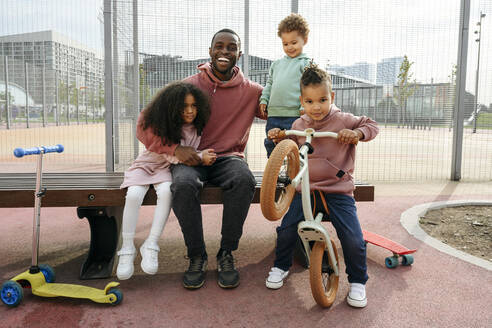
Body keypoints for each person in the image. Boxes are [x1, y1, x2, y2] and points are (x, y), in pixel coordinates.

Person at [139, 29, 265, 289]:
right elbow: (145, 123)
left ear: (239, 55)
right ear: (210, 51)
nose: (224, 51)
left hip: (228, 158)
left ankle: (226, 253)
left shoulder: (252, 91)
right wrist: (174, 149)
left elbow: (284, 108)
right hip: (192, 157)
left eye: (231, 48)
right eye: (219, 46)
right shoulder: (188, 86)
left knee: (243, 179)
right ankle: (196, 255)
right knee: (182, 185)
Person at [266, 63, 379, 308]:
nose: (316, 107)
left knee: (352, 238)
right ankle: (281, 266)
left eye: (322, 100)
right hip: (305, 190)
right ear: (302, 101)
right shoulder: (298, 125)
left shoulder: (344, 120)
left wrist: (357, 134)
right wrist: (279, 136)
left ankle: (358, 282)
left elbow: (372, 125)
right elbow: (290, 151)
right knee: (286, 230)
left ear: (332, 97)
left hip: (337, 191)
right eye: (309, 101)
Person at [116, 82, 216, 280]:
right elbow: (167, 153)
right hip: (146, 166)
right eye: (184, 106)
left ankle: (151, 243)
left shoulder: (195, 128)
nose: (189, 111)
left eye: (193, 106)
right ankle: (127, 248)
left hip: (165, 170)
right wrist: (200, 156)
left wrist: (199, 155)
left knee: (167, 193)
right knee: (134, 195)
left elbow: (176, 159)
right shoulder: (164, 123)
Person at [260, 13, 311, 157]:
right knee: (271, 143)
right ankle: (275, 174)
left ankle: (293, 176)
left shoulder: (306, 63)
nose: (289, 47)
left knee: (294, 147)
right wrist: (264, 99)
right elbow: (270, 83)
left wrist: (304, 106)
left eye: (294, 43)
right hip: (274, 115)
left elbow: (309, 87)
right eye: (285, 44)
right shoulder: (276, 64)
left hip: (295, 115)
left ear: (305, 40)